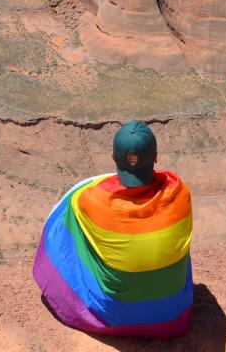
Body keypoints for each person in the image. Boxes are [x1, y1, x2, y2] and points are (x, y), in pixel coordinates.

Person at [33, 120, 193, 338]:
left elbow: (81, 196)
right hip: (171, 316)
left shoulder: (90, 200)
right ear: (155, 157)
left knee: (67, 215)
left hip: (111, 316)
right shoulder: (179, 193)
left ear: (113, 159)